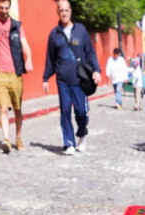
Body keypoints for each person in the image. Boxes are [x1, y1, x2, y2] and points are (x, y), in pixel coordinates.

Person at [42, 0, 100, 155]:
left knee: (81, 111)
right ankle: (68, 143)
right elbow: (50, 58)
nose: (64, 13)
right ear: (57, 12)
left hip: (80, 80)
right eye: (61, 10)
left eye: (66, 10)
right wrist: (46, 78)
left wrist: (97, 70)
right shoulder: (54, 35)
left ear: (71, 11)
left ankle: (82, 134)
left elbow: (90, 52)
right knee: (65, 111)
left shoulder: (80, 30)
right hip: (63, 80)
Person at [0, 0, 32, 153]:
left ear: (9, 7)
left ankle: (18, 138)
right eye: (1, 8)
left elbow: (25, 43)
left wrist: (29, 58)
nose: (4, 11)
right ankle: (6, 139)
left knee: (17, 109)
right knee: (3, 108)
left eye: (6, 8)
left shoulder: (16, 25)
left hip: (16, 73)